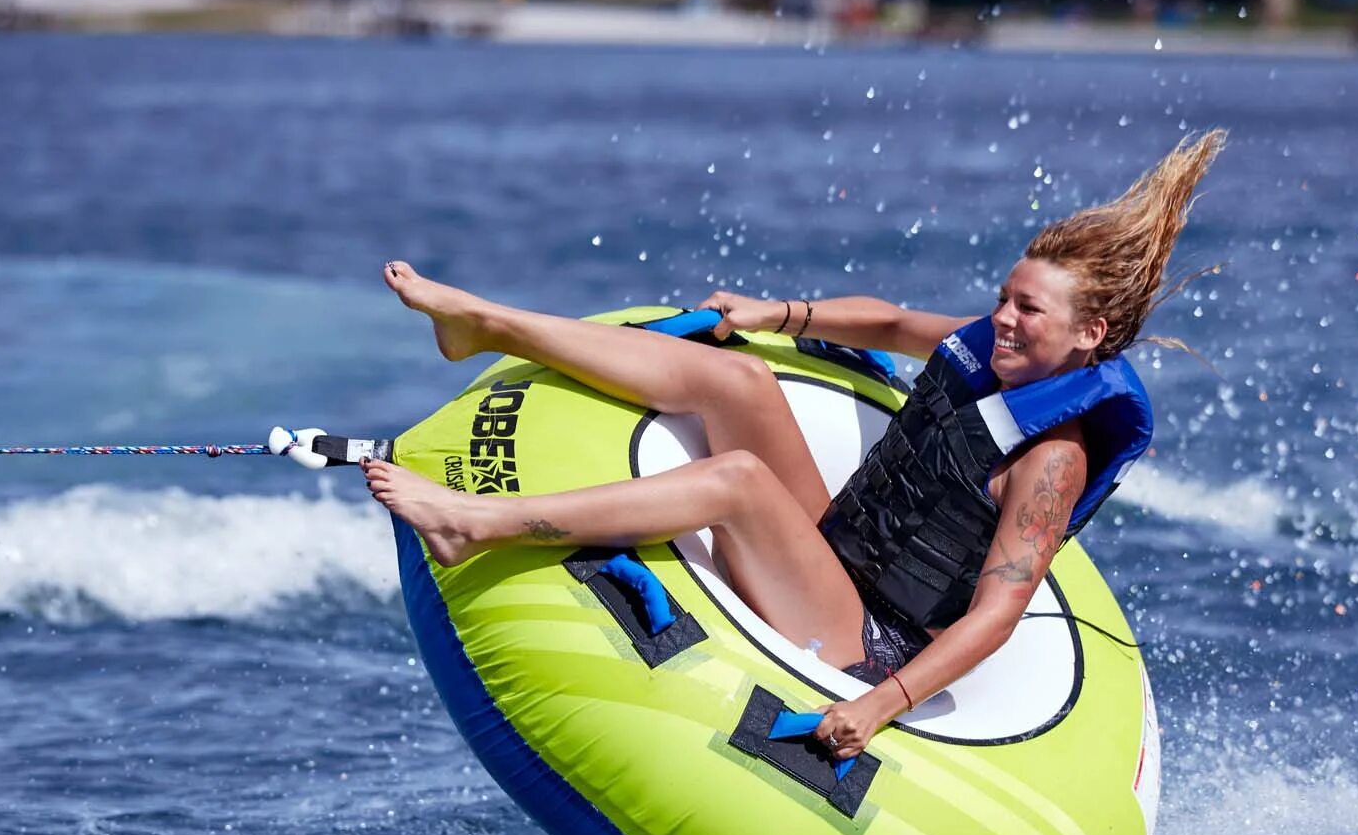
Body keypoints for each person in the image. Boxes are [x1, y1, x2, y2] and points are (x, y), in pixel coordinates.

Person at [363, 130, 1224, 760]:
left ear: (1089, 334)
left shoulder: (1054, 459)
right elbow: (887, 319)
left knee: (737, 479)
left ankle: (480, 524)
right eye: (1005, 296)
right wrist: (776, 314)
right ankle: (484, 325)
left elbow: (999, 611)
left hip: (871, 640)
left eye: (1027, 310)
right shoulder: (984, 353)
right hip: (834, 550)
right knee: (739, 381)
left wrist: (884, 704)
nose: (1002, 316)